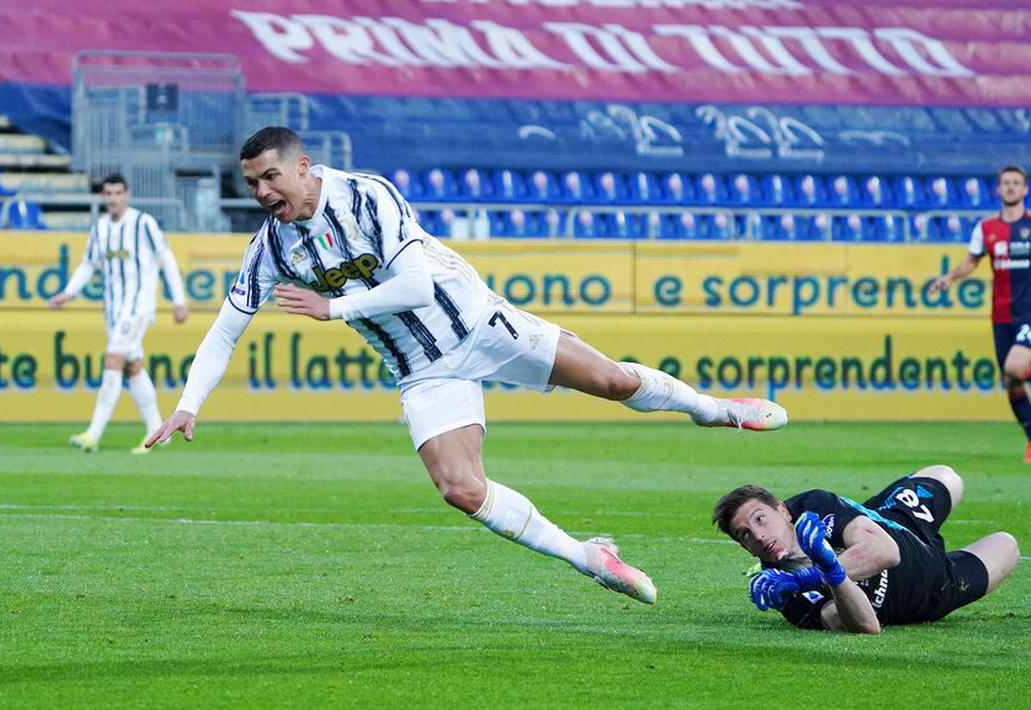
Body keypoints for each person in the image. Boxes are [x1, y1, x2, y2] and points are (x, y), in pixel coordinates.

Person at [146, 126, 789, 604]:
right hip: (424, 369)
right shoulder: (270, 247)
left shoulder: (367, 196)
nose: (261, 192)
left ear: (303, 168)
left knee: (614, 381)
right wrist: (188, 404)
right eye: (252, 184)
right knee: (460, 489)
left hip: (479, 322)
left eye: (269, 178)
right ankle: (588, 556)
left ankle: (714, 410)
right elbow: (226, 328)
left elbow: (417, 287)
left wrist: (332, 308)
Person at [713, 465, 1019, 633]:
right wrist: (831, 575)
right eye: (745, 535)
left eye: (760, 519)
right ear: (745, 549)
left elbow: (886, 551)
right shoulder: (781, 592)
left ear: (783, 510)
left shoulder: (811, 506)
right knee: (1007, 544)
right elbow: (866, 625)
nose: (759, 534)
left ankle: (871, 513)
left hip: (897, 521)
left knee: (946, 475)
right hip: (934, 584)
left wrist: (807, 577)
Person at [49, 174, 189, 453]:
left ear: (127, 195)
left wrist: (179, 299)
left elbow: (167, 259)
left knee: (113, 357)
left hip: (138, 305)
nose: (112, 198)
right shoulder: (100, 228)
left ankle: (93, 433)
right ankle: (157, 432)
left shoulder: (143, 223)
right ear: (103, 197)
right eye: (108, 193)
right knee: (131, 366)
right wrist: (68, 292)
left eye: (117, 193)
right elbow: (88, 264)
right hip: (113, 309)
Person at [931, 165, 1031, 461]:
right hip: (1001, 316)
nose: (1011, 187)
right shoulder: (986, 229)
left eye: (1016, 183)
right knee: (1011, 381)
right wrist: (950, 277)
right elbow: (971, 262)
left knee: (1015, 368)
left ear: (1025, 190)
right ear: (999, 190)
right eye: (1006, 183)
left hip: (1029, 313)